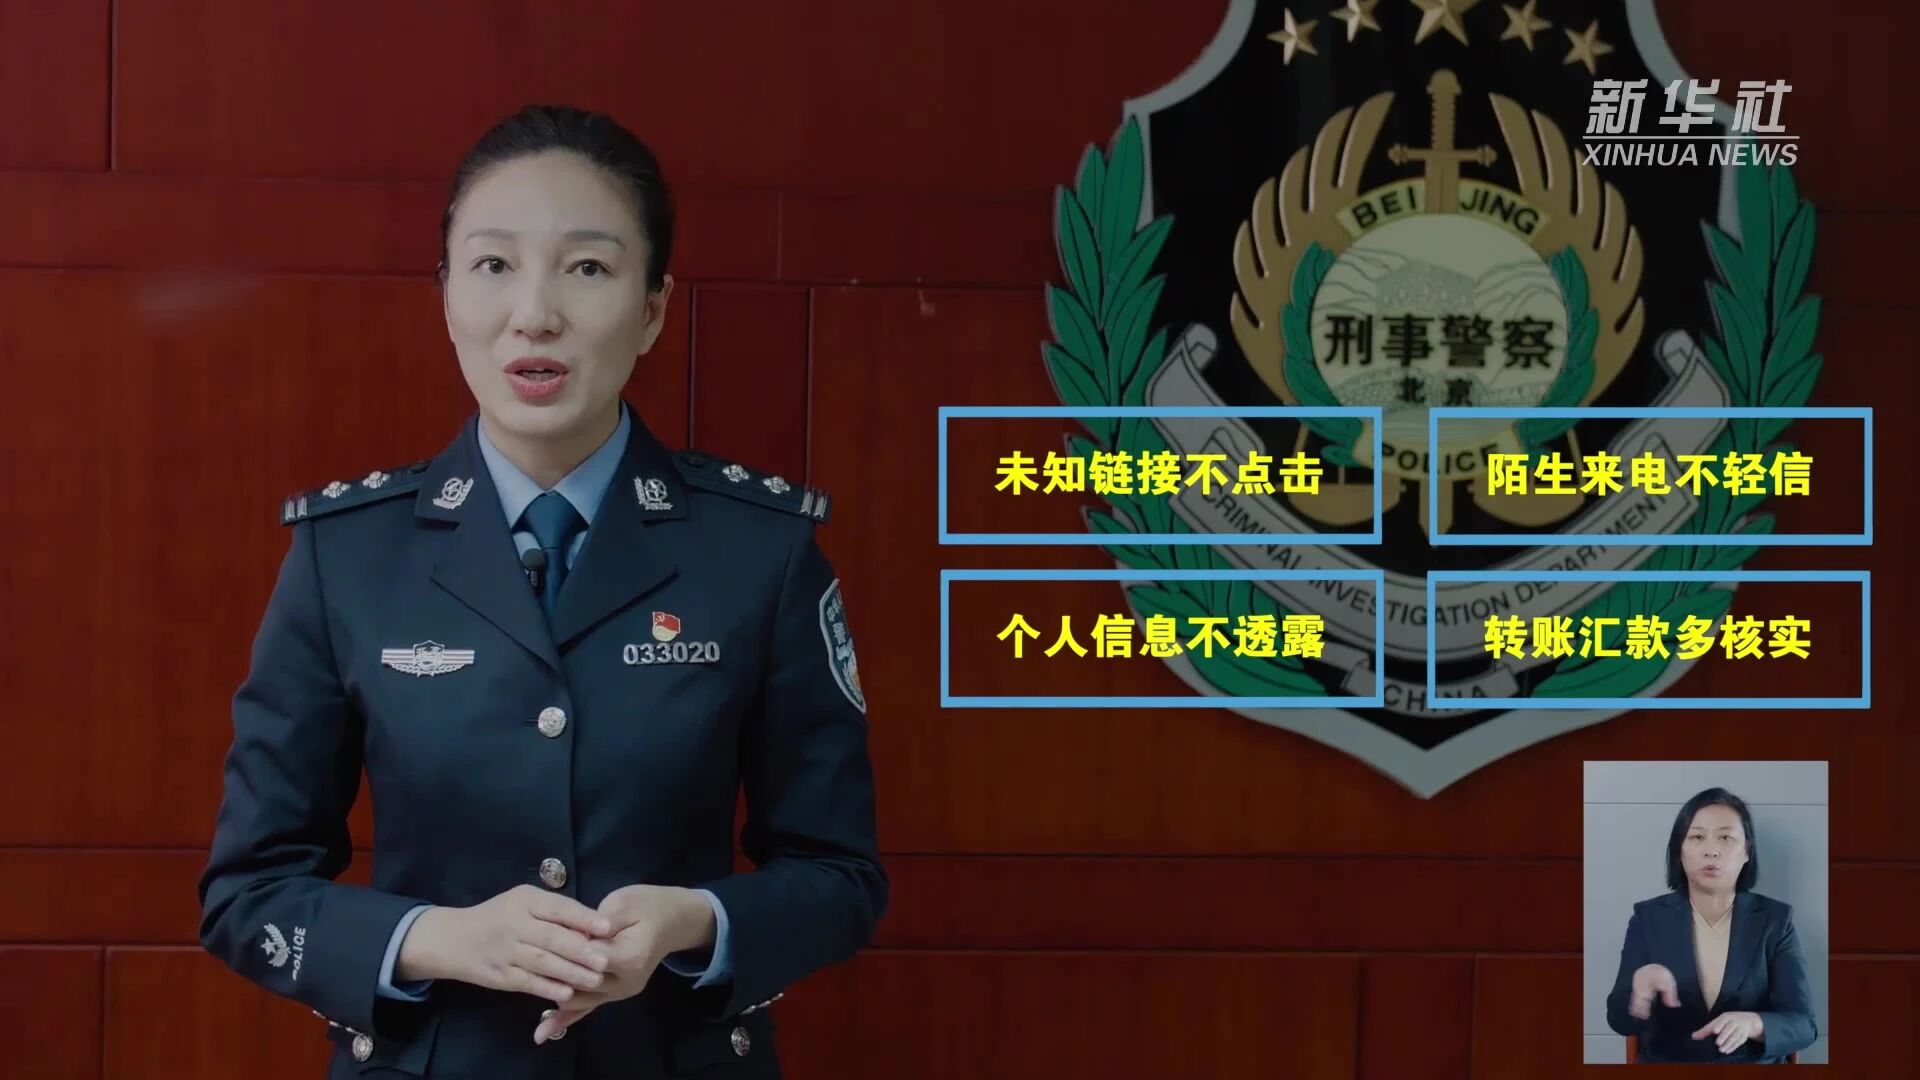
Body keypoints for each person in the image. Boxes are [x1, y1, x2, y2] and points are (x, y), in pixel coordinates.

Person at [197, 104, 887, 1079]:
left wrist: (696, 922)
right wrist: (438, 939)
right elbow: (248, 895)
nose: (535, 313)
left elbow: (841, 878)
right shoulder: (345, 556)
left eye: (588, 268)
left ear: (653, 309)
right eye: (493, 264)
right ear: (446, 295)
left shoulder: (759, 551)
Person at [1604, 787, 1816, 1064]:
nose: (1711, 851)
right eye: (1697, 837)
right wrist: (1638, 992)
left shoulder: (1775, 921)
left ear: (1747, 851)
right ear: (1679, 851)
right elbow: (1619, 1021)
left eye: (1725, 837)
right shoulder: (1648, 919)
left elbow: (1803, 1025)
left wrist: (1755, 1024)